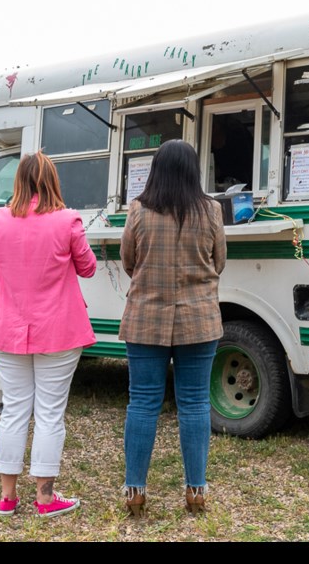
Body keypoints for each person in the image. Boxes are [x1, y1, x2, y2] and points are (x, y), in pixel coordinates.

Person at [0, 151, 97, 518]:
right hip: (59, 330)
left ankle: (8, 498)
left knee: (13, 410)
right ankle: (45, 497)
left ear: (17, 181)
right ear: (52, 181)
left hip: (9, 328)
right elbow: (88, 268)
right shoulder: (68, 220)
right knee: (49, 414)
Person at [118, 139, 226, 517]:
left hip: (145, 317)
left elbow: (129, 261)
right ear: (194, 170)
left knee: (143, 402)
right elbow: (220, 262)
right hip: (199, 319)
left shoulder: (139, 211)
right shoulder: (211, 210)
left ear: (156, 170)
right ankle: (196, 489)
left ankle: (135, 489)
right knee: (195, 403)